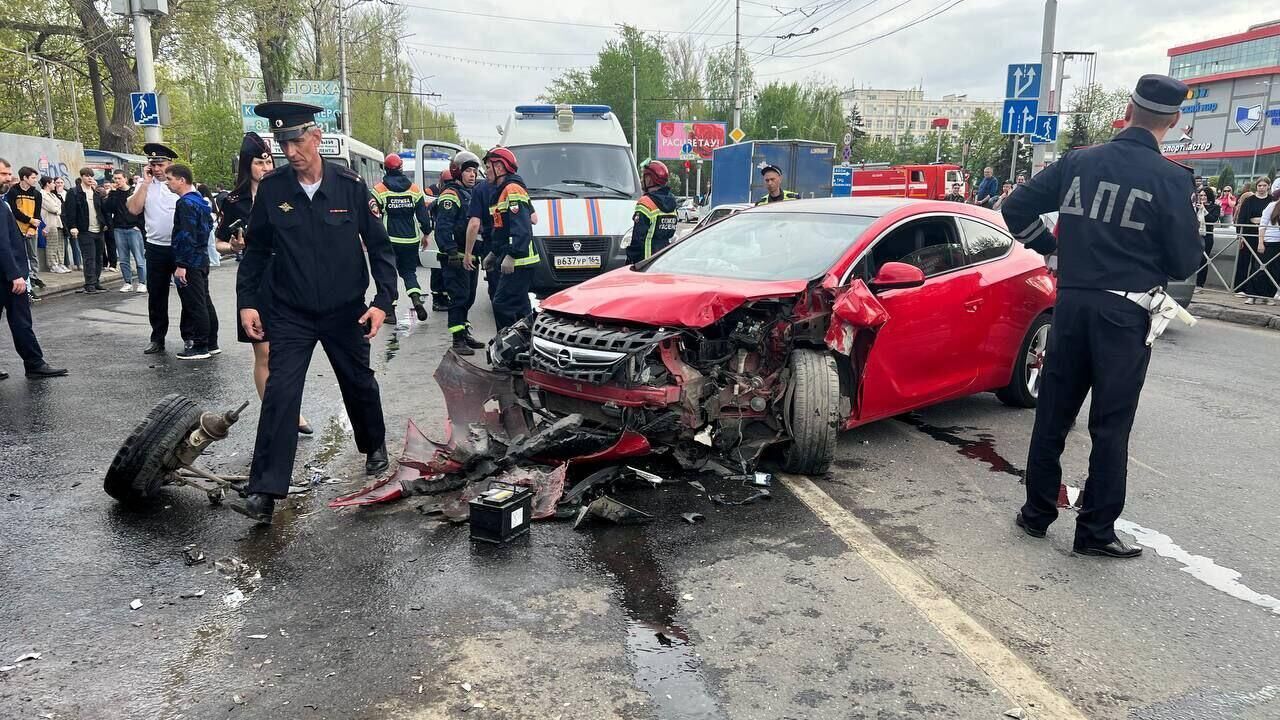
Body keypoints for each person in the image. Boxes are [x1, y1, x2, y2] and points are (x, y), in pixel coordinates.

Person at [1000, 74, 1202, 559]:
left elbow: (1015, 207)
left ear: (1128, 111)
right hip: (1125, 314)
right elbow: (1183, 264)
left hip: (1069, 304)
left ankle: (1036, 515)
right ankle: (1094, 532)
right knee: (1110, 426)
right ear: (1172, 120)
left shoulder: (1078, 162)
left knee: (1052, 413)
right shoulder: (1172, 178)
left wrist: (1052, 248)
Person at [232, 101, 397, 523]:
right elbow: (257, 251)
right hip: (290, 312)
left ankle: (374, 446)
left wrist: (382, 303)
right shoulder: (274, 190)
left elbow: (379, 248)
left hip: (345, 311)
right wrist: (247, 302)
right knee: (282, 391)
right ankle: (265, 490)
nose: (290, 151)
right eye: (283, 143)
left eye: (297, 141)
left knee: (358, 382)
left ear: (316, 137)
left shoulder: (350, 186)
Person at [217, 133, 312, 434]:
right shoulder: (234, 201)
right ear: (248, 166)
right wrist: (232, 246)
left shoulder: (286, 192)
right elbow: (218, 243)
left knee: (289, 351)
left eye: (269, 160)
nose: (265, 167)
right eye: (259, 162)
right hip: (256, 280)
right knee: (265, 352)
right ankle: (277, 414)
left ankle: (290, 408)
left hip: (290, 277)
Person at [0, 157, 67, 380]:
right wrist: (16, 275)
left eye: (9, 173)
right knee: (21, 321)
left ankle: (34, 363)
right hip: (9, 276)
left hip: (9, 273)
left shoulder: (2, 201)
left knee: (21, 320)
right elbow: (3, 243)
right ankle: (35, 364)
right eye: (3, 174)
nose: (8, 178)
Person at [127, 143, 182, 355]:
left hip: (178, 247)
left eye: (160, 163)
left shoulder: (178, 183)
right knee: (157, 295)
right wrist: (145, 184)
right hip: (155, 247)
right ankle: (157, 338)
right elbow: (133, 209)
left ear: (170, 164)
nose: (157, 168)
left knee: (187, 294)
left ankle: (189, 336)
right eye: (153, 164)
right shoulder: (145, 185)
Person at [433, 151, 486, 354]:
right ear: (458, 172)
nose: (472, 175)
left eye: (474, 171)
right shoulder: (451, 195)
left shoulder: (470, 194)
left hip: (471, 256)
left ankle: (464, 332)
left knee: (469, 297)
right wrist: (451, 251)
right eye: (468, 171)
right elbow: (443, 227)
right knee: (459, 298)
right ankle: (457, 340)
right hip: (454, 258)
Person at [164, 164, 218, 360]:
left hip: (191, 260)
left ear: (182, 180)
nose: (167, 183)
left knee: (195, 304)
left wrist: (181, 265)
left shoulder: (185, 203)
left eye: (170, 179)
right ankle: (211, 342)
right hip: (201, 257)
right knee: (205, 301)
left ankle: (200, 345)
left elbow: (186, 235)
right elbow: (207, 227)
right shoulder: (201, 201)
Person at [482, 147, 538, 332]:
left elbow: (522, 227)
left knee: (502, 304)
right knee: (521, 308)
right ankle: (525, 348)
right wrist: (494, 252)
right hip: (514, 258)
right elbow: (501, 230)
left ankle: (509, 350)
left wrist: (513, 255)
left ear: (500, 167)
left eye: (488, 167)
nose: (486, 171)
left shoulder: (512, 189)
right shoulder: (502, 191)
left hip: (520, 260)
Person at [373, 153, 432, 322]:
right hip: (410, 239)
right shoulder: (414, 189)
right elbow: (423, 216)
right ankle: (415, 298)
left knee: (388, 273)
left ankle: (390, 311)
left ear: (386, 169)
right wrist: (426, 234)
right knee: (409, 272)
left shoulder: (379, 190)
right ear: (401, 169)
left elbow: (372, 216)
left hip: (389, 239)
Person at [63, 167, 108, 294]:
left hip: (98, 229)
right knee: (89, 258)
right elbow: (70, 211)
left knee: (99, 257)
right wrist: (72, 226)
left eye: (91, 176)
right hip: (84, 230)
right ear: (81, 177)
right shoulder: (74, 192)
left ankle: (96, 281)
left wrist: (105, 223)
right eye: (87, 176)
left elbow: (102, 209)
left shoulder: (96, 192)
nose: (90, 178)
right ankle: (90, 284)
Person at [627, 160, 678, 264]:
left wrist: (631, 257)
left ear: (650, 180)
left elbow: (638, 237)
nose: (641, 180)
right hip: (664, 259)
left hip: (646, 260)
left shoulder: (646, 202)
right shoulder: (672, 202)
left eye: (644, 177)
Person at [5, 166, 44, 297]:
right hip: (17, 230)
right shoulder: (13, 192)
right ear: (24, 178)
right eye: (33, 177)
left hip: (31, 230)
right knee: (22, 257)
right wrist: (30, 220)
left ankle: (33, 278)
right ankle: (25, 284)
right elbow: (14, 212)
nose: (35, 180)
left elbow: (37, 214)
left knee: (33, 256)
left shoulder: (36, 194)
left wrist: (33, 228)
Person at [105, 170, 146, 292]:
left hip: (133, 228)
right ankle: (127, 282)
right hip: (119, 228)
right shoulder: (115, 193)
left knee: (139, 258)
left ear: (125, 178)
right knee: (123, 259)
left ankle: (142, 282)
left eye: (119, 178)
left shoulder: (133, 191)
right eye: (115, 179)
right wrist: (112, 192)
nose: (117, 181)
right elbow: (108, 208)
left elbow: (142, 209)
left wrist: (139, 226)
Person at [463, 166, 498, 307]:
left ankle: (504, 328)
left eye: (488, 167)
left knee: (497, 293)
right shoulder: (516, 186)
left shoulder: (481, 189)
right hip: (515, 248)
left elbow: (474, 224)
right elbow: (533, 219)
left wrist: (468, 253)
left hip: (491, 246)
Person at [1235, 177, 1272, 302]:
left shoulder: (1272, 200)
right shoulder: (1249, 200)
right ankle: (1240, 287)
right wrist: (1239, 236)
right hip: (1248, 233)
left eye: (1264, 185)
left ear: (1268, 186)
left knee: (1259, 263)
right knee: (1243, 261)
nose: (1261, 188)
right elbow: (1241, 218)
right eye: (1259, 185)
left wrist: (1260, 220)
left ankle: (1256, 290)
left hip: (1265, 235)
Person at [425, 171, 451, 312]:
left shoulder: (438, 199)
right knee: (441, 271)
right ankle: (440, 300)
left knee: (437, 270)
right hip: (443, 240)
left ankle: (439, 299)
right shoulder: (446, 199)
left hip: (437, 239)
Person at [1254, 178, 1280, 306]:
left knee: (1276, 270)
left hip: (1278, 242)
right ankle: (1256, 294)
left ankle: (1270, 295)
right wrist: (1260, 242)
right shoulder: (1272, 206)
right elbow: (1263, 224)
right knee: (1262, 268)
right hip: (1269, 240)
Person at [38, 177, 67, 274]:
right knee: (52, 245)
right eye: (53, 183)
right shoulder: (42, 194)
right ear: (47, 184)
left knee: (60, 245)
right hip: (49, 223)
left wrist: (58, 208)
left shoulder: (52, 195)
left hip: (58, 222)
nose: (55, 185)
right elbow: (54, 208)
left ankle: (60, 263)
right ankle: (53, 265)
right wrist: (58, 208)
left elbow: (61, 206)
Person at [1194, 186, 1220, 291]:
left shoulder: (1215, 207)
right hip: (1195, 235)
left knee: (1203, 260)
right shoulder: (1195, 206)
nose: (1202, 197)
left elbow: (1213, 219)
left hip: (1207, 236)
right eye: (1200, 195)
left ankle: (1200, 284)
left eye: (1204, 195)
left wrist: (1203, 210)